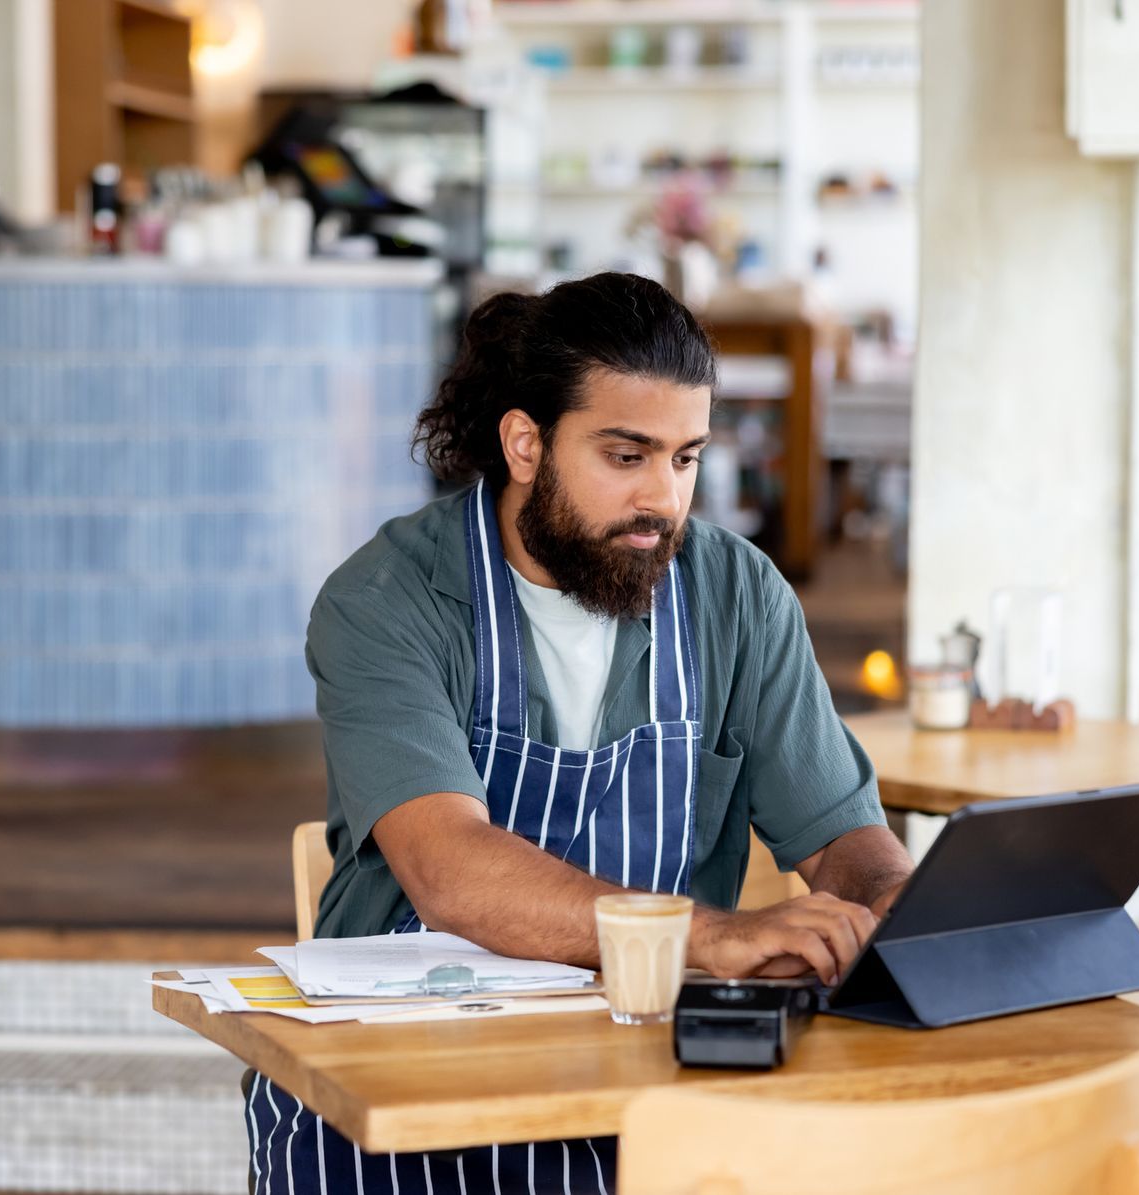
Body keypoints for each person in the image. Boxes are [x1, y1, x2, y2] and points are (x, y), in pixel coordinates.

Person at [244, 272, 915, 1193]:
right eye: (626, 455)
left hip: (653, 1070)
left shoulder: (736, 595)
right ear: (525, 442)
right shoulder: (387, 600)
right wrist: (706, 938)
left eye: (685, 458)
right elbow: (451, 869)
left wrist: (896, 910)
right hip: (402, 1086)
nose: (663, 501)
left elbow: (845, 837)